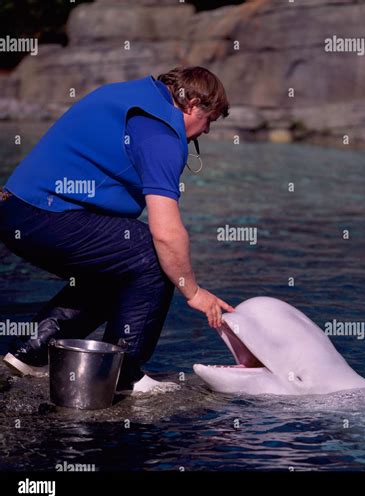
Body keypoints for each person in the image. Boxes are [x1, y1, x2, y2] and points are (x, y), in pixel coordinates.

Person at [0, 66, 235, 394]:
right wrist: (193, 292)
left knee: (119, 260)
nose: (207, 130)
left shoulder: (131, 95)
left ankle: (31, 352)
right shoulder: (161, 132)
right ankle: (124, 376)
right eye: (210, 119)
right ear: (193, 104)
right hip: (43, 215)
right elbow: (167, 233)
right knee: (151, 254)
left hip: (16, 208)